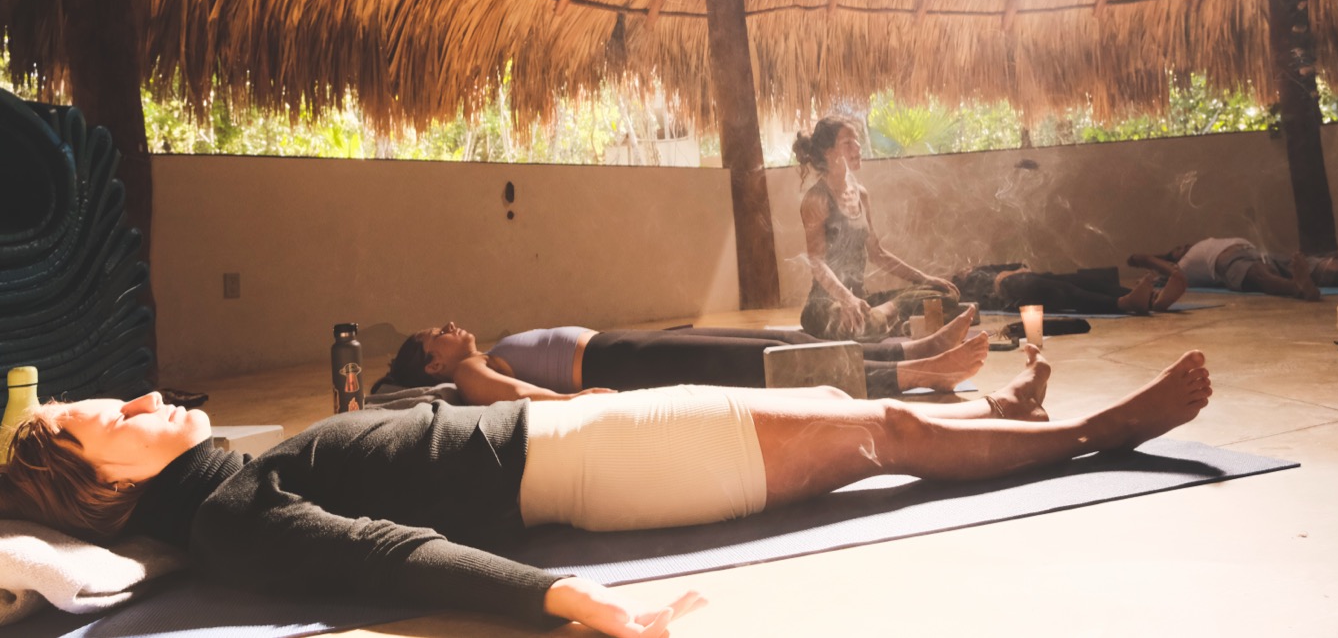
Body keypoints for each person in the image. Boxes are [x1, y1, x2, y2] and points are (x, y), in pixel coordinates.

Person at [0, 347, 1212, 638]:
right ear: (101, 480)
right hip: (601, 466)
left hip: (579, 438)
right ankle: (1095, 434)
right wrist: (572, 601)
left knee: (857, 418)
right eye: (112, 417)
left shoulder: (220, 480)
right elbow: (381, 557)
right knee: (878, 433)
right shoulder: (227, 516)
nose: (139, 399)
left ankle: (1019, 422)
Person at [372, 313, 990, 404]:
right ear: (433, 365)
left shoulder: (481, 355)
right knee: (768, 367)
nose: (447, 328)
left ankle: (913, 348)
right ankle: (915, 374)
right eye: (435, 336)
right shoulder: (468, 371)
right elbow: (510, 396)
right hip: (621, 364)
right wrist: (571, 400)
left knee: (779, 344)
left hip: (625, 349)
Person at [792, 115, 960, 341]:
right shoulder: (816, 199)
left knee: (944, 295)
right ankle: (889, 317)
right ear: (829, 153)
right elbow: (817, 263)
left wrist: (924, 278)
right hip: (826, 306)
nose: (857, 146)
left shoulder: (861, 194)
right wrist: (847, 299)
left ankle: (887, 315)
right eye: (847, 143)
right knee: (860, 325)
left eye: (857, 140)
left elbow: (877, 253)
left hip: (861, 300)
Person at [1129, 238, 1338, 301]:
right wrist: (1147, 258)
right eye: (1178, 248)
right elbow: (1171, 271)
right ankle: (1298, 288)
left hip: (1262, 253)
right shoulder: (1184, 265)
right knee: (1260, 276)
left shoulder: (1207, 241)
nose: (1184, 246)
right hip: (1231, 263)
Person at [951, 263, 1187, 315]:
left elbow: (1019, 265)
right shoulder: (961, 285)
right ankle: (1122, 303)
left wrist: (1018, 269)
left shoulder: (984, 268)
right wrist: (1009, 276)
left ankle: (1153, 301)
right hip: (1009, 292)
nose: (966, 267)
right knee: (1062, 290)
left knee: (1079, 279)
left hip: (1025, 280)